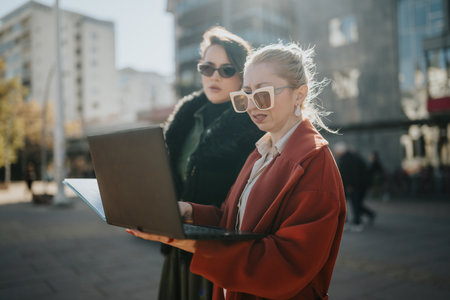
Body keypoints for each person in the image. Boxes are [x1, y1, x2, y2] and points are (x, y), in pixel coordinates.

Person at [128, 42, 346, 299]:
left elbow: (286, 265)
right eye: (245, 96)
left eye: (263, 94)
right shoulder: (260, 152)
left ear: (299, 94)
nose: (252, 106)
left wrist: (193, 244)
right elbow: (229, 221)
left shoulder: (314, 162)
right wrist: (188, 211)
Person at [159, 27, 263, 300]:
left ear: (243, 75)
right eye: (207, 68)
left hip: (220, 250)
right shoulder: (184, 118)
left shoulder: (255, 126)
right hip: (177, 244)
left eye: (227, 70)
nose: (214, 76)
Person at [334, 143, 375, 232]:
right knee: (355, 204)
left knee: (353, 204)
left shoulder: (346, 159)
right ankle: (357, 220)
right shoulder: (351, 157)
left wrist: (349, 185)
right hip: (356, 185)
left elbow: (348, 173)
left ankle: (356, 222)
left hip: (351, 186)